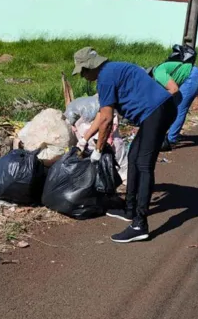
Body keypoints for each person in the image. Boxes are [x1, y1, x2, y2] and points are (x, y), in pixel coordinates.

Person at [72, 47, 177, 243]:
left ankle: (140, 224)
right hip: (159, 110)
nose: (83, 76)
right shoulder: (113, 70)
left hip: (157, 112)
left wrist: (98, 150)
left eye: (84, 71)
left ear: (92, 66)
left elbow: (106, 120)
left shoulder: (105, 78)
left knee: (144, 165)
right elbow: (101, 115)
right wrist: (85, 138)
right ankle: (129, 210)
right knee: (133, 156)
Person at [151, 60, 198, 151]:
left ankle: (170, 140)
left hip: (192, 77)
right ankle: (172, 134)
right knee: (173, 107)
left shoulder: (158, 74)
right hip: (191, 76)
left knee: (179, 108)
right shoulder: (157, 73)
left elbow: (174, 89)